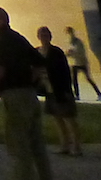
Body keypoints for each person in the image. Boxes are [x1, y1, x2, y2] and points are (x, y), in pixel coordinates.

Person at [0, 6, 51, 180]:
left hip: (13, 95)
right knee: (36, 144)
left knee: (18, 146)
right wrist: (32, 81)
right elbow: (39, 62)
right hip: (29, 94)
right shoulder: (18, 38)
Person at [37, 27, 81, 157]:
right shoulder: (37, 52)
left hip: (60, 89)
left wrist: (67, 89)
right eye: (42, 34)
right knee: (58, 119)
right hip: (49, 90)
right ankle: (65, 144)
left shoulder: (56, 52)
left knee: (69, 119)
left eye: (46, 34)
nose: (44, 37)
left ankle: (76, 146)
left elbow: (64, 72)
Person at [65, 27, 101, 101]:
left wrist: (71, 53)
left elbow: (80, 52)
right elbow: (69, 51)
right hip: (74, 63)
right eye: (67, 33)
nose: (69, 34)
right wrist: (68, 53)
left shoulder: (78, 42)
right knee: (74, 79)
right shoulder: (69, 42)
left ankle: (99, 94)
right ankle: (77, 95)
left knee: (88, 78)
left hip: (82, 62)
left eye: (70, 32)